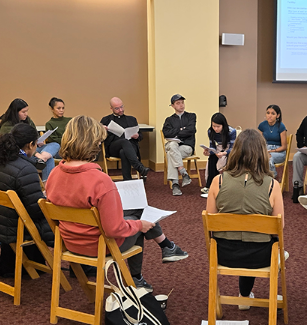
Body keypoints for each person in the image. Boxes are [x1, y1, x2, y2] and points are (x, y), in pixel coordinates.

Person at [46, 116, 187, 291]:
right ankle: (136, 278)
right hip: (98, 245)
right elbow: (114, 229)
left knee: (135, 213)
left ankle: (167, 248)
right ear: (94, 144)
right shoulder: (100, 180)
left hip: (70, 242)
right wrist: (139, 225)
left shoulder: (53, 174)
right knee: (138, 223)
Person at [205, 129, 285, 308]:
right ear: (262, 153)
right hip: (260, 256)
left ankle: (243, 296)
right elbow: (279, 227)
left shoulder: (217, 181)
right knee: (257, 240)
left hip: (223, 254)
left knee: (241, 237)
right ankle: (245, 294)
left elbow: (210, 222)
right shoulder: (273, 185)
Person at [0, 123, 54, 277]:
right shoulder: (25, 169)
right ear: (31, 144)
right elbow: (36, 210)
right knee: (62, 219)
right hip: (20, 227)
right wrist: (46, 200)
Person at [0, 98, 60, 181]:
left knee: (55, 144)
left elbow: (34, 134)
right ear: (15, 113)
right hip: (20, 153)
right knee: (49, 159)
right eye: (23, 112)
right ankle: (47, 185)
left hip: (33, 147)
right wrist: (37, 154)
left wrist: (38, 140)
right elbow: (17, 147)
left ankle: (42, 158)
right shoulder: (7, 126)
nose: (26, 114)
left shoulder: (27, 120)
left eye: (27, 111)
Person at [100, 97, 149, 181]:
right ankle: (139, 167)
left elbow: (140, 136)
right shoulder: (106, 120)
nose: (120, 110)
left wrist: (137, 136)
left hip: (130, 148)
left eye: (122, 107)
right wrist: (102, 130)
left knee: (124, 152)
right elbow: (100, 137)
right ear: (111, 108)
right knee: (124, 141)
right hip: (113, 148)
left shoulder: (132, 119)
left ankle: (127, 180)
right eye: (117, 108)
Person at [162, 94, 197, 196]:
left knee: (170, 154)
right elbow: (166, 134)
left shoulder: (191, 116)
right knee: (173, 145)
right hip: (173, 146)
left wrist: (176, 132)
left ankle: (175, 184)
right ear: (172, 106)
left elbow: (191, 130)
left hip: (187, 147)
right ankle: (183, 173)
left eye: (182, 102)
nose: (181, 105)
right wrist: (182, 130)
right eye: (178, 103)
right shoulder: (169, 120)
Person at [201, 112, 236, 197]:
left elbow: (233, 148)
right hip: (219, 148)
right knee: (212, 157)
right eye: (213, 126)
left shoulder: (231, 131)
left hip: (229, 149)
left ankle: (225, 185)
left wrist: (224, 153)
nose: (215, 129)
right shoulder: (210, 131)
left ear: (223, 125)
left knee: (229, 157)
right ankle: (210, 185)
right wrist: (208, 152)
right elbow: (212, 146)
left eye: (218, 126)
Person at [257, 104, 287, 177]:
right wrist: (264, 150)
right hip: (265, 149)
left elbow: (284, 147)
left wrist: (271, 151)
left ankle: (272, 178)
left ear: (278, 115)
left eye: (272, 113)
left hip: (278, 151)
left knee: (268, 158)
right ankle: (258, 178)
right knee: (255, 157)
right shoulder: (262, 125)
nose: (269, 115)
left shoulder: (281, 126)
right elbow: (259, 142)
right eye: (268, 113)